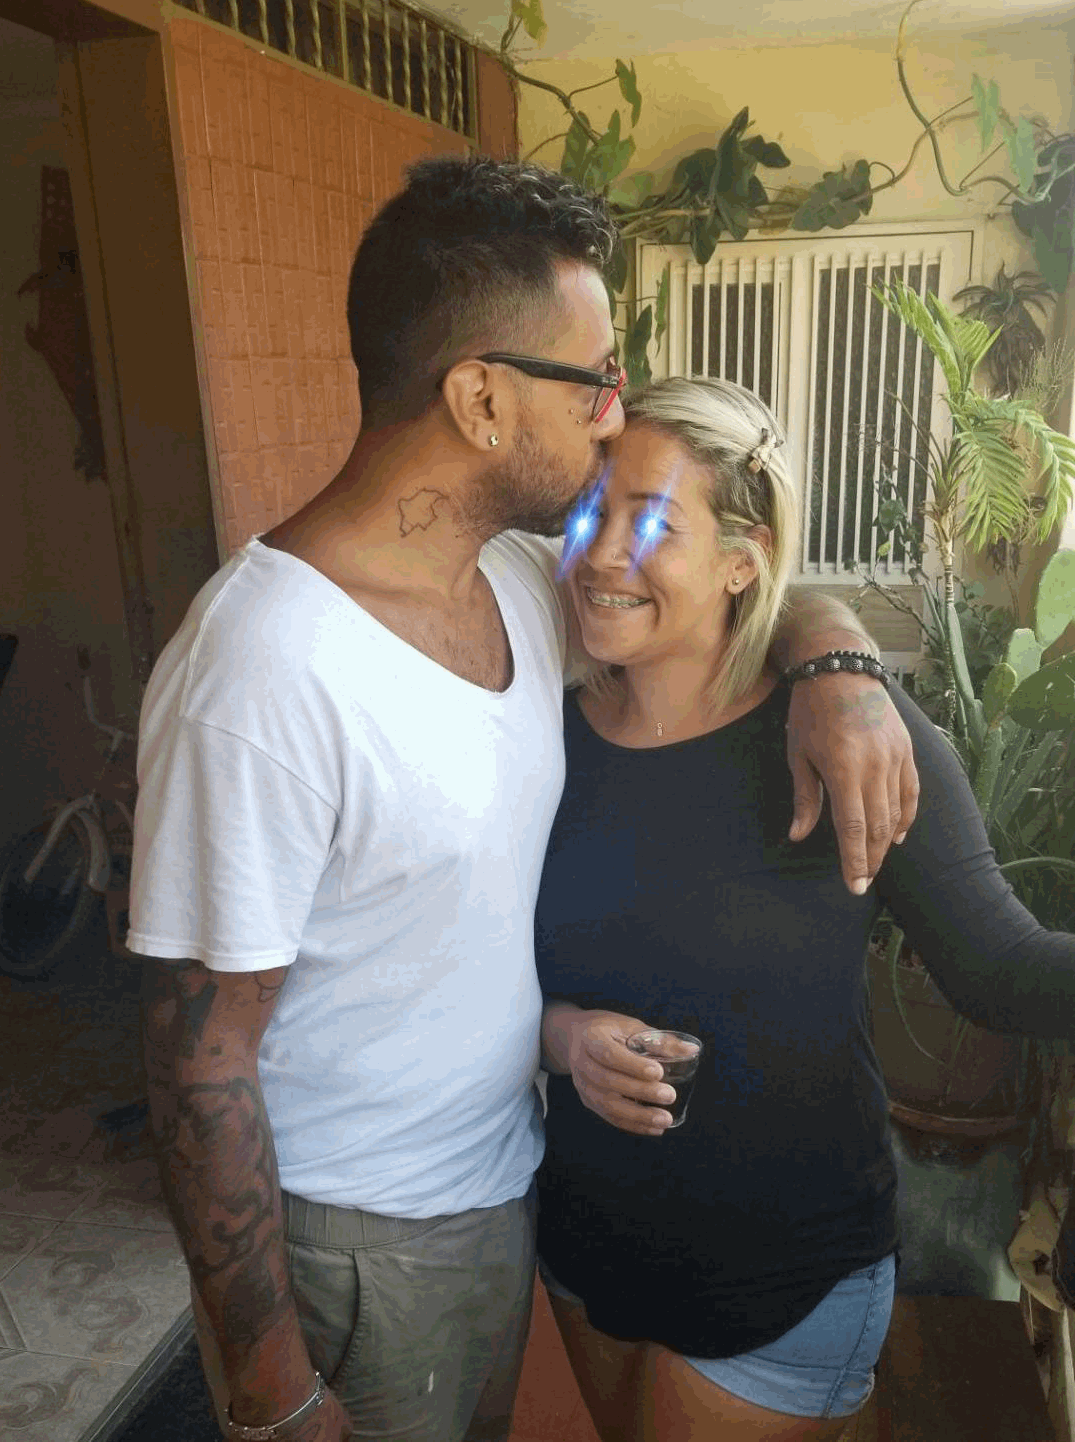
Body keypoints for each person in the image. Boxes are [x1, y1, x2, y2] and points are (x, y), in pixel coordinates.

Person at [131, 158, 917, 1442]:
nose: (616, 415)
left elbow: (710, 582)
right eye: (595, 380)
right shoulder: (262, 667)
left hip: (505, 1192)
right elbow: (194, 1061)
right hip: (358, 1244)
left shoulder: (514, 580)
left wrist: (838, 665)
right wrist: (268, 1385)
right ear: (482, 397)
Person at [534, 374, 1075, 1442]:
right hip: (587, 1247)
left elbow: (999, 967)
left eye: (654, 523)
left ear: (745, 558)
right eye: (591, 511)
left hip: (783, 1274)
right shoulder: (545, 739)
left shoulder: (846, 734)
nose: (600, 554)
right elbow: (488, 969)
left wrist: (838, 662)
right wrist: (559, 1035)